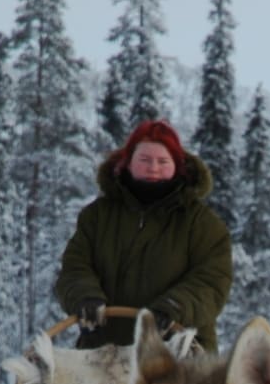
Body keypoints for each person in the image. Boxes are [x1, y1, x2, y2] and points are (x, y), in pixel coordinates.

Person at [54, 118, 233, 353]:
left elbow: (212, 282)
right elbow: (75, 267)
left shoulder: (203, 224)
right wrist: (84, 296)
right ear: (128, 163)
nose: (153, 168)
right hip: (105, 354)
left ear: (177, 166)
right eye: (145, 160)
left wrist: (174, 308)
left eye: (162, 161)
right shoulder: (97, 216)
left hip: (179, 358)